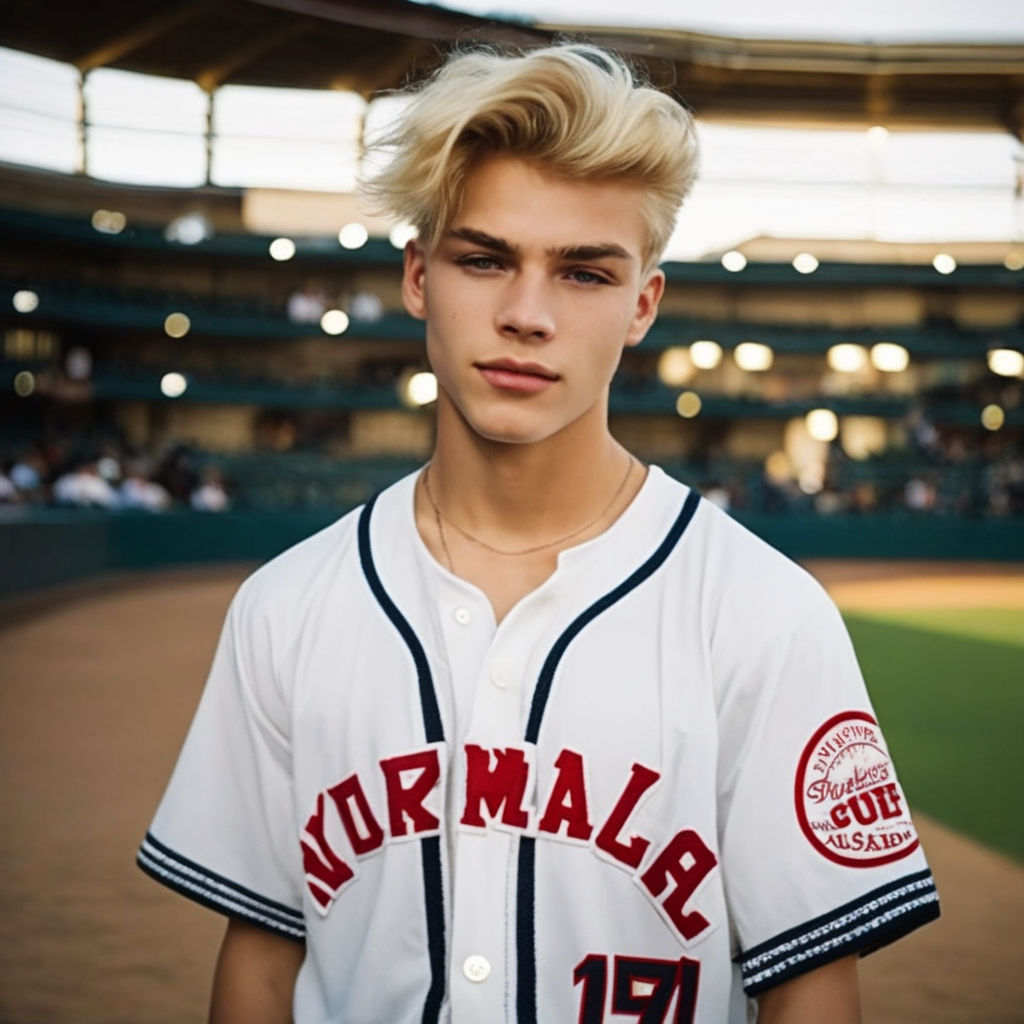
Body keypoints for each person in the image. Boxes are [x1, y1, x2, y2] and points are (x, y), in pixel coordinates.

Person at [138, 43, 939, 1024]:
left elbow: (812, 992)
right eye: (484, 259)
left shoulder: (765, 616)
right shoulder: (287, 606)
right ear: (419, 275)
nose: (525, 314)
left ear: (642, 303)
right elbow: (261, 961)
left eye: (583, 273)